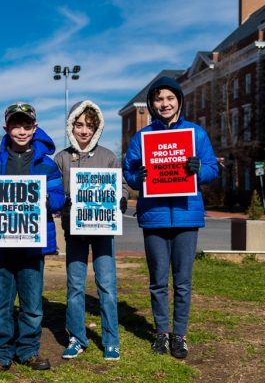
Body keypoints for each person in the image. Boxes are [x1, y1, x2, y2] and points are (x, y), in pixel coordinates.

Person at [122, 76, 218, 359]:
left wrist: (199, 167)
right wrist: (136, 177)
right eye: (158, 99)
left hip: (187, 215)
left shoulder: (195, 133)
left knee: (183, 281)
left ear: (178, 100)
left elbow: (213, 169)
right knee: (158, 280)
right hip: (154, 216)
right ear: (152, 104)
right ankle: (161, 333)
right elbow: (129, 172)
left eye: (169, 98)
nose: (164, 104)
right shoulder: (142, 138)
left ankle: (180, 335)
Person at [0, 103, 65, 375]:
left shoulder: (47, 165)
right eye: (16, 125)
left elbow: (59, 197)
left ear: (35, 128)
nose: (22, 131)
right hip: (1, 246)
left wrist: (48, 200)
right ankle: (0, 354)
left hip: (32, 245)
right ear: (6, 128)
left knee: (33, 304)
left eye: (27, 126)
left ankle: (28, 350)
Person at [53, 100, 128, 361]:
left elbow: (121, 186)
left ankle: (111, 340)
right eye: (79, 124)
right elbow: (54, 191)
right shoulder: (61, 157)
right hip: (74, 231)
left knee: (107, 286)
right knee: (75, 286)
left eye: (89, 125)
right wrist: (64, 200)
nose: (84, 131)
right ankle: (76, 337)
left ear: (97, 128)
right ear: (71, 125)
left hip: (103, 231)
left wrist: (121, 198)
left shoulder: (108, 156)